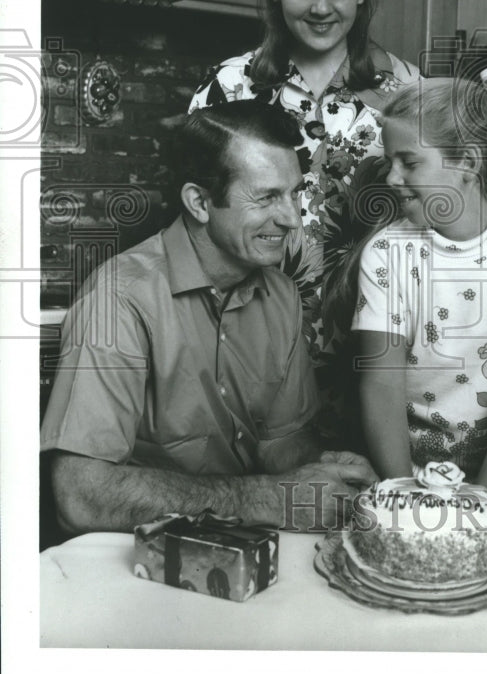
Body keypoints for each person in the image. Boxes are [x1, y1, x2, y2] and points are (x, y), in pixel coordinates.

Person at [40, 102, 376, 535]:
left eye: (294, 192)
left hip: (242, 547)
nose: (292, 218)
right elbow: (80, 497)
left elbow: (281, 443)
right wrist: (266, 497)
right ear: (199, 202)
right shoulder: (118, 300)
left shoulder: (281, 294)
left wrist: (327, 473)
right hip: (135, 561)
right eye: (267, 197)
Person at [189, 0, 420, 445]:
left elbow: (428, 223)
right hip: (246, 352)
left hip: (369, 358)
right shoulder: (228, 87)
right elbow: (197, 230)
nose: (322, 7)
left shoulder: (407, 91)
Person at [350, 78, 487, 495]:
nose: (393, 179)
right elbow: (381, 383)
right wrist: (400, 488)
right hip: (402, 474)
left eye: (409, 162)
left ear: (468, 162)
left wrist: (486, 495)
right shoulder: (386, 252)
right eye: (389, 163)